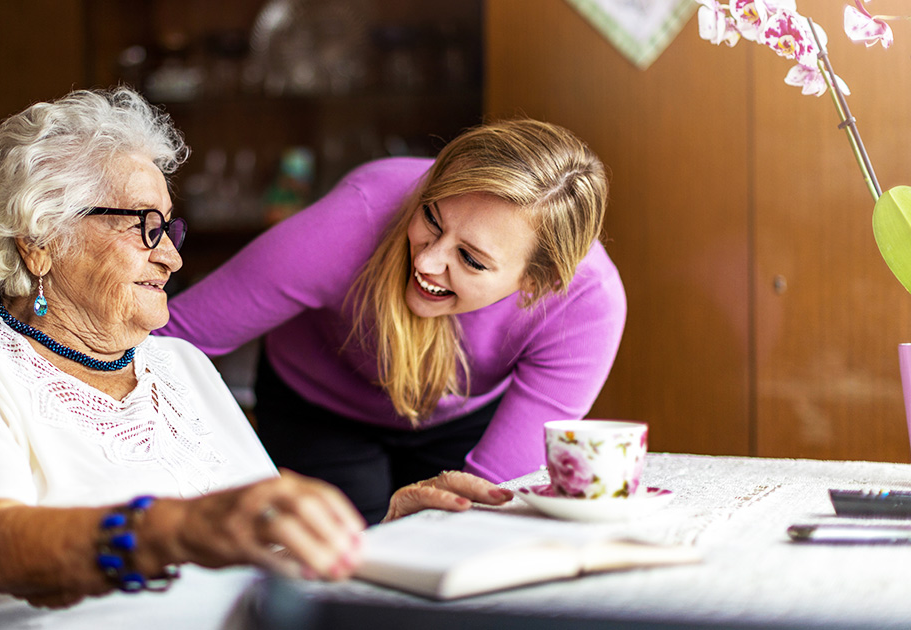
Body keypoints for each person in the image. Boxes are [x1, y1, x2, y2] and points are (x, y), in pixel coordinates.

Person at [0, 86, 512, 630]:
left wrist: (386, 531)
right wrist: (178, 530)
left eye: (170, 230)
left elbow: (260, 544)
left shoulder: (179, 366)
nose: (172, 259)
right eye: (144, 229)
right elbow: (1, 550)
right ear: (42, 242)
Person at [158, 118, 626, 524]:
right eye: (432, 218)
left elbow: (489, 501)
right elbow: (168, 336)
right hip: (318, 405)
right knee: (336, 568)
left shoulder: (587, 305)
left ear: (537, 282)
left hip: (462, 418)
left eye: (470, 259)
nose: (428, 262)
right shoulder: (357, 216)